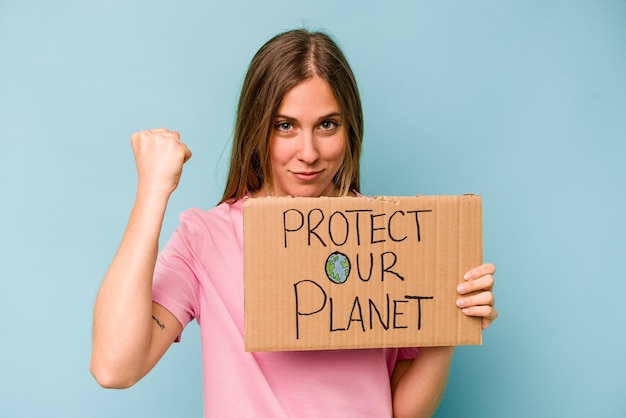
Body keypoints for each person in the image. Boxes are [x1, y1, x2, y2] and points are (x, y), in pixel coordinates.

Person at [90, 29, 497, 417]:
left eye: (327, 125)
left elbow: (401, 411)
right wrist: (152, 192)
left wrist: (450, 321)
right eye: (286, 126)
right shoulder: (207, 239)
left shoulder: (387, 232)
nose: (308, 152)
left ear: (348, 128)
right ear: (258, 128)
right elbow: (114, 367)